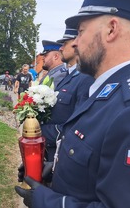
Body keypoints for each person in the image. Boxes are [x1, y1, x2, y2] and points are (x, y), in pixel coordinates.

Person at [15, 0, 130, 207]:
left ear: (111, 29)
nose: (75, 43)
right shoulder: (105, 92)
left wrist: (47, 201)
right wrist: (55, 170)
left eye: (81, 32)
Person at [40, 26, 94, 161]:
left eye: (65, 44)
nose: (61, 48)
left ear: (78, 43)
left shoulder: (86, 78)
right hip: (53, 150)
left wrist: (40, 131)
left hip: (62, 153)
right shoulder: (70, 76)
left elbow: (77, 127)